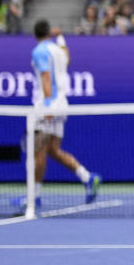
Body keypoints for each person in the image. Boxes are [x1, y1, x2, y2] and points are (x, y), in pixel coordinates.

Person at [14, 20, 100, 212]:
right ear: (49, 34)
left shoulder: (39, 51)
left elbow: (45, 77)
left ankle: (33, 197)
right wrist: (60, 36)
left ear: (35, 34)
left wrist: (46, 107)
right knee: (53, 150)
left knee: (39, 152)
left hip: (48, 106)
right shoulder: (60, 50)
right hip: (62, 106)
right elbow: (68, 57)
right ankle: (88, 177)